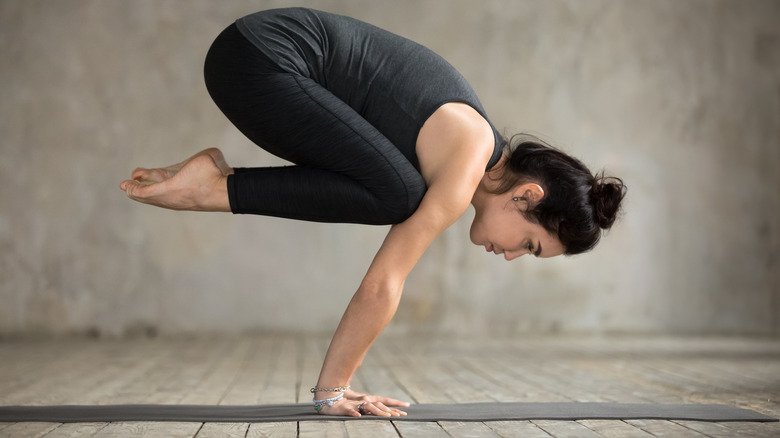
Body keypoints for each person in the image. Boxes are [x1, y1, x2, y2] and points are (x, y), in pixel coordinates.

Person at [118, 7, 626, 417]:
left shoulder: (465, 142)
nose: (512, 256)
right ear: (528, 197)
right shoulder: (467, 159)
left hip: (250, 56)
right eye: (530, 245)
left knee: (397, 189)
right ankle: (211, 188)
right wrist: (332, 392)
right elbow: (386, 281)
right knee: (397, 196)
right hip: (259, 61)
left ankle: (213, 182)